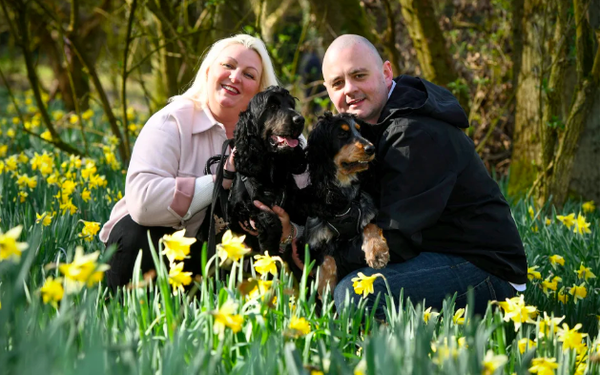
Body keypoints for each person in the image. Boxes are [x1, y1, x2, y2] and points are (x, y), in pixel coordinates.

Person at [320, 34, 527, 318]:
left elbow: (398, 237)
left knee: (355, 295)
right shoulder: (364, 131)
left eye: (359, 75)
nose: (350, 89)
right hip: (434, 255)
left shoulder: (413, 132)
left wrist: (333, 262)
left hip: (487, 272)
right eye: (338, 83)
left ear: (386, 72)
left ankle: (386, 361)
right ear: (327, 90)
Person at [99, 34, 297, 291]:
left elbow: (309, 200)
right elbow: (142, 203)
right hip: (166, 247)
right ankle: (133, 311)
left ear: (261, 92)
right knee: (135, 232)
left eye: (249, 75)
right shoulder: (171, 122)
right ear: (207, 71)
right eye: (227, 65)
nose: (235, 77)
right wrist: (219, 182)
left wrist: (289, 229)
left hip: (228, 258)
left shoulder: (280, 137)